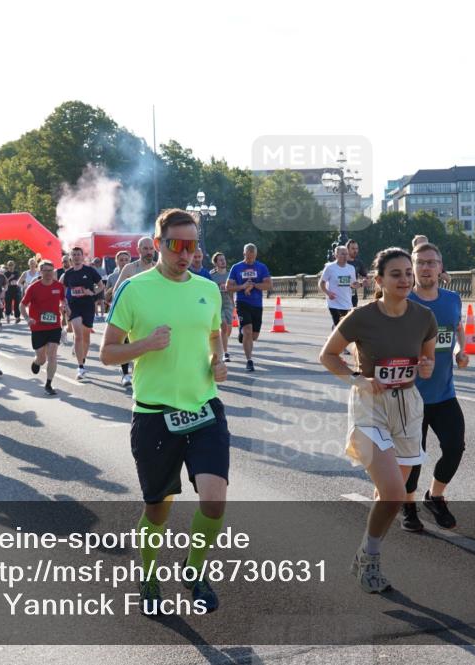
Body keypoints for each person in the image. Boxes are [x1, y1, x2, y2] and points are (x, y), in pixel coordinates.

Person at [100, 209, 228, 615]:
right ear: (158, 244)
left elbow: (213, 335)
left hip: (204, 409)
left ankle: (193, 571)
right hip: (155, 415)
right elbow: (107, 353)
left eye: (193, 246)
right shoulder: (135, 289)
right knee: (159, 505)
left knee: (214, 501)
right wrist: (144, 346)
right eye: (177, 245)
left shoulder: (208, 288)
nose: (186, 254)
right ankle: (149, 573)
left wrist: (218, 359)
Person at [319, 247, 437, 593]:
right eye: (396, 274)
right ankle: (370, 559)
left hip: (408, 408)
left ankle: (365, 551)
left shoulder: (423, 317)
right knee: (393, 492)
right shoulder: (361, 317)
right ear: (379, 280)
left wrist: (427, 367)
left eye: (407, 273)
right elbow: (327, 355)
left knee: (391, 497)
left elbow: (426, 363)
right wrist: (359, 379)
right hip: (370, 405)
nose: (404, 279)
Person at [401, 243, 469, 532]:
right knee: (413, 457)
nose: (426, 268)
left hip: (443, 393)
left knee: (455, 447)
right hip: (409, 395)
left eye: (432, 262)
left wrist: (459, 352)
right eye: (421, 263)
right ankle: (408, 506)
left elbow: (456, 329)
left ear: (441, 268)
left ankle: (435, 496)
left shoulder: (452, 299)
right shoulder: (403, 301)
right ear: (413, 268)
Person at [110, 237, 157, 386]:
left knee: (150, 347)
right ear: (138, 250)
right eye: (145, 249)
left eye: (151, 249)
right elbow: (116, 291)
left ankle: (148, 377)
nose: (149, 252)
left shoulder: (159, 269)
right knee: (128, 344)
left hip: (153, 314)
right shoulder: (130, 268)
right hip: (133, 314)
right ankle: (125, 374)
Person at [20, 260, 66, 395]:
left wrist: (64, 306)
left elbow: (63, 299)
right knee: (42, 358)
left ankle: (49, 384)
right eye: (45, 271)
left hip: (54, 325)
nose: (48, 273)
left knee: (52, 355)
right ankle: (36, 362)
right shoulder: (33, 288)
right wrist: (28, 319)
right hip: (38, 327)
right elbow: (22, 305)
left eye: (51, 271)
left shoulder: (59, 286)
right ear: (40, 272)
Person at [61, 247, 105, 379]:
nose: (76, 257)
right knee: (78, 335)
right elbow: (61, 289)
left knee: (86, 338)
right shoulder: (68, 273)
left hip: (88, 306)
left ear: (82, 256)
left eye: (78, 255)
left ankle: (83, 360)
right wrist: (64, 303)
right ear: (70, 257)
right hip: (74, 306)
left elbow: (101, 285)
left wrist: (92, 292)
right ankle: (80, 367)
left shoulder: (90, 270)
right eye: (73, 255)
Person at [226, 243, 272, 372]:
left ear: (256, 255)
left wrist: (254, 285)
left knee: (254, 336)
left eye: (253, 257)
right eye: (248, 257)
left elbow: (269, 285)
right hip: (242, 302)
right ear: (244, 254)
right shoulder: (236, 267)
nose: (251, 260)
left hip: (257, 304)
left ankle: (243, 334)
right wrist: (242, 286)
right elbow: (228, 287)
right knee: (248, 330)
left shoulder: (261, 267)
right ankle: (249, 361)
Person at [319, 245, 360, 328]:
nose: (345, 256)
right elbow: (321, 283)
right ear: (336, 255)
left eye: (346, 254)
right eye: (342, 254)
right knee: (340, 326)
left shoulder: (351, 268)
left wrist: (361, 284)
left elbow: (353, 285)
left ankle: (333, 333)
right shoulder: (330, 267)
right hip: (334, 303)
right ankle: (333, 337)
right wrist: (328, 293)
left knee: (344, 327)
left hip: (347, 302)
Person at [209, 252, 235, 362]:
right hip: (217, 304)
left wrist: (234, 302)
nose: (223, 261)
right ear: (215, 263)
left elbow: (233, 289)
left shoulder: (230, 274)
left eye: (224, 259)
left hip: (228, 303)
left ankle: (222, 342)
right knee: (224, 327)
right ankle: (225, 352)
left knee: (228, 329)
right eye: (220, 260)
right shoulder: (211, 275)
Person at [345, 239, 369, 308]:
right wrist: (352, 284)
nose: (355, 251)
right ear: (347, 249)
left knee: (352, 318)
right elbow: (337, 279)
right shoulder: (342, 262)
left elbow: (366, 276)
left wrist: (365, 280)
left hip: (353, 296)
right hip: (341, 296)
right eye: (353, 248)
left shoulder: (359, 263)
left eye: (356, 248)